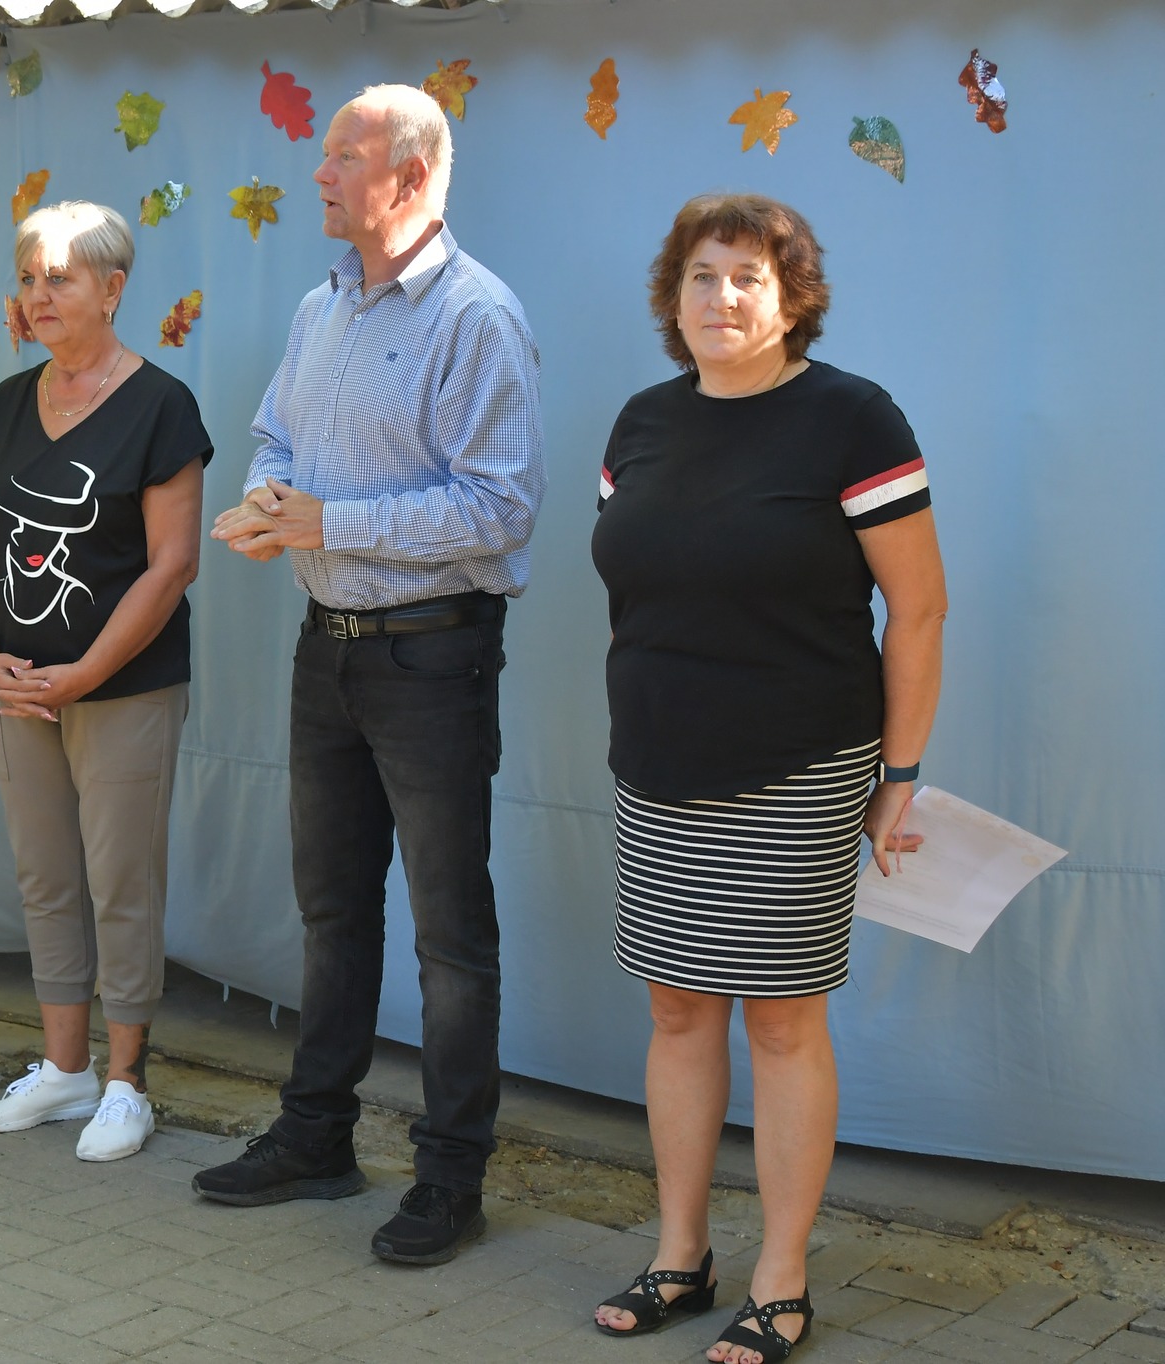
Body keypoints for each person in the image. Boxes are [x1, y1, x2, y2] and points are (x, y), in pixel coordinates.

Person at [587, 194, 946, 1364]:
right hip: (656, 760)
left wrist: (897, 773)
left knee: (782, 1021)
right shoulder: (641, 422)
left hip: (796, 766)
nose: (721, 296)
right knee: (675, 1006)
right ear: (671, 295)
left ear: (792, 300)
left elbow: (918, 608)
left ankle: (780, 1275)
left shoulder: (849, 418)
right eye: (701, 274)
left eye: (748, 276)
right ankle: (678, 1253)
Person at [201, 85, 545, 1264]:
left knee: (449, 933)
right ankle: (317, 1136)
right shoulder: (322, 305)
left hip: (433, 654)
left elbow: (499, 508)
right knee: (332, 909)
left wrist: (328, 523)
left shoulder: (476, 316)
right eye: (324, 155)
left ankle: (450, 1176)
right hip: (327, 647)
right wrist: (268, 502)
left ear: (408, 176)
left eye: (341, 155)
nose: (319, 174)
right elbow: (277, 436)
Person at [0, 201, 211, 1162]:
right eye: (28, 279)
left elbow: (173, 564)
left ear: (113, 289)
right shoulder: (5, 404)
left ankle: (126, 1083)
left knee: (121, 882)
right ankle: (64, 1069)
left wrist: (85, 674)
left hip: (123, 690)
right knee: (45, 876)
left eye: (59, 278)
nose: (38, 295)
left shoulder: (162, 406)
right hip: (19, 688)